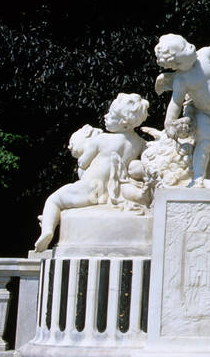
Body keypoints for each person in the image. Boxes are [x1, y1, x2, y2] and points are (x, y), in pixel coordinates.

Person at [35, 93, 150, 252]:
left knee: (54, 200)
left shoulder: (101, 139)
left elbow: (83, 163)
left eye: (111, 115)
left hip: (89, 187)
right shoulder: (140, 143)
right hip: (111, 192)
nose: (106, 116)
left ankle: (47, 230)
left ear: (124, 122)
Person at [154, 25, 210, 183]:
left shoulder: (202, 56)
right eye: (184, 48)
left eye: (186, 43)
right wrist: (169, 122)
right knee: (204, 143)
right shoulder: (181, 80)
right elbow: (175, 103)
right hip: (203, 113)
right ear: (176, 64)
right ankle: (198, 176)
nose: (190, 47)